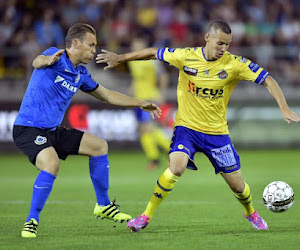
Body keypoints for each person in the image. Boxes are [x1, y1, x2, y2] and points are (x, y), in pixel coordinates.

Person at [96, 20, 300, 232]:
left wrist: (283, 107)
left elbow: (268, 79)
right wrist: (121, 58)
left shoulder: (235, 64)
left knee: (238, 186)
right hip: (187, 128)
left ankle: (250, 212)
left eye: (228, 44)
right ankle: (145, 216)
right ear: (207, 38)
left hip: (217, 133)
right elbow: (153, 53)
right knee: (176, 167)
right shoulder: (186, 56)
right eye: (220, 43)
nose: (224, 48)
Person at [13, 23, 161, 238]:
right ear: (75, 43)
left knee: (99, 146)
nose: (94, 51)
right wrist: (45, 61)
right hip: (28, 128)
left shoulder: (80, 74)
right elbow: (37, 62)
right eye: (91, 46)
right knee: (51, 163)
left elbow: (107, 95)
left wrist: (140, 103)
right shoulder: (54, 55)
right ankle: (31, 220)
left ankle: (103, 205)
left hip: (51, 131)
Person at [128, 38, 170, 170]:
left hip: (150, 97)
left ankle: (172, 152)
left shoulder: (151, 61)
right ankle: (154, 158)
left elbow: (163, 76)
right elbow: (137, 79)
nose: (135, 48)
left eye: (138, 46)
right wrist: (131, 90)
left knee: (149, 128)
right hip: (138, 99)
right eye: (134, 46)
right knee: (143, 129)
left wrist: (161, 93)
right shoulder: (132, 62)